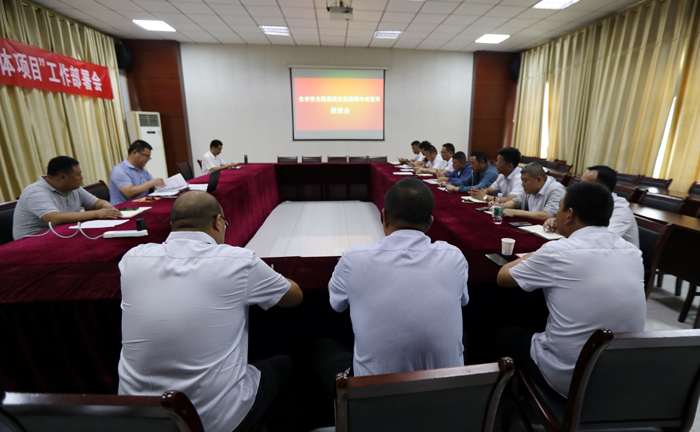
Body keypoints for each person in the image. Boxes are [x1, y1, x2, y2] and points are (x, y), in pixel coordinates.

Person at [118, 191, 303, 432]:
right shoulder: (239, 261)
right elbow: (294, 297)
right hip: (214, 420)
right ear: (218, 222)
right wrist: (270, 275)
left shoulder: (132, 259)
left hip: (139, 418)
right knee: (285, 365)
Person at [313, 178, 469, 397]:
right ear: (430, 222)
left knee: (321, 347)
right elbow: (463, 301)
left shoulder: (353, 259)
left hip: (376, 401)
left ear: (384, 217)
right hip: (448, 401)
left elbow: (336, 305)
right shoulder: (454, 257)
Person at [495, 182, 646, 398]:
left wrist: (533, 254)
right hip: (619, 376)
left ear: (569, 214)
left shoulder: (556, 252)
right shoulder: (633, 252)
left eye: (559, 208)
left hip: (569, 377)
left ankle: (512, 399)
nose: (556, 214)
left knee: (503, 332)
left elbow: (503, 277)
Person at [12, 156, 121, 239]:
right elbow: (55, 218)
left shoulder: (73, 188)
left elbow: (96, 203)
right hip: (33, 241)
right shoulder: (35, 192)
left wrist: (107, 207)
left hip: (63, 234)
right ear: (63, 177)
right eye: (78, 174)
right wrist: (97, 213)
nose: (82, 177)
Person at [543, 165, 639, 248]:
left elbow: (602, 240)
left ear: (601, 187)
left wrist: (566, 227)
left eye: (585, 184)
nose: (580, 187)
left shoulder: (621, 210)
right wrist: (559, 221)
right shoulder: (589, 201)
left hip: (617, 258)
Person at [109, 140, 166, 205]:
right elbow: (129, 193)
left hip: (142, 203)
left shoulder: (142, 169)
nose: (148, 159)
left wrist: (162, 184)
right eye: (146, 156)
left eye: (149, 157)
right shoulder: (119, 170)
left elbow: (154, 183)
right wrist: (151, 183)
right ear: (135, 152)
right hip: (124, 208)